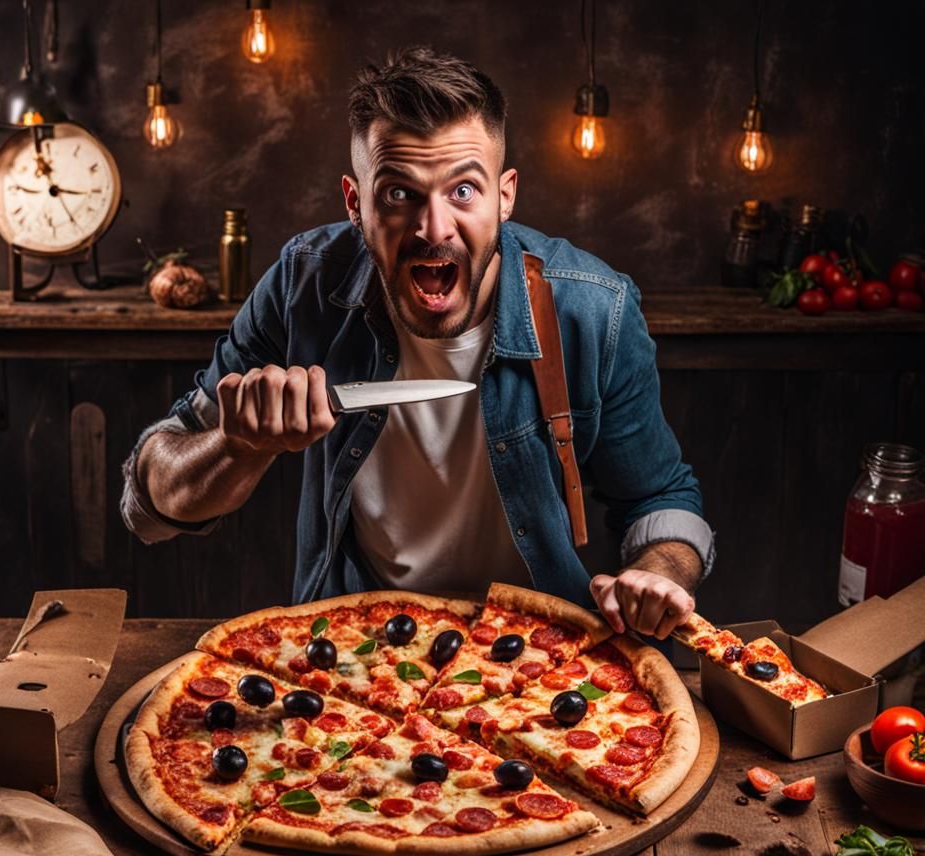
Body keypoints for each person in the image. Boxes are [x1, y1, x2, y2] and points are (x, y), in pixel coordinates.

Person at [121, 46, 714, 641]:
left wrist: (658, 574)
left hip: (541, 667)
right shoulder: (301, 285)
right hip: (356, 662)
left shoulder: (594, 309)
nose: (434, 229)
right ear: (356, 202)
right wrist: (237, 444)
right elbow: (151, 504)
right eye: (400, 194)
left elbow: (663, 500)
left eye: (463, 191)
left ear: (504, 196)